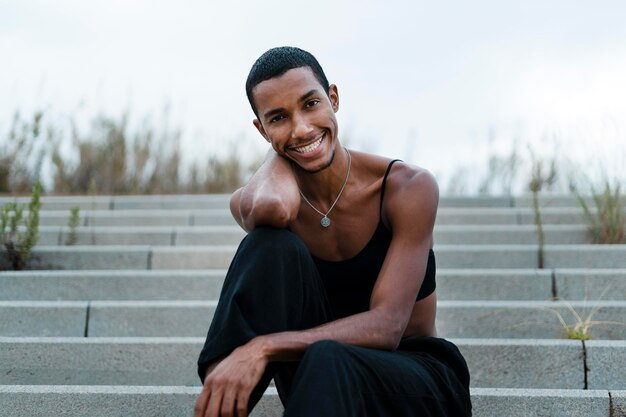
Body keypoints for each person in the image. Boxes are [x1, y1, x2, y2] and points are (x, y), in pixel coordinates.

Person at [194, 46, 472, 417]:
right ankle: (221, 405)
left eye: (310, 104)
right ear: (261, 130)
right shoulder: (263, 199)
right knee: (267, 244)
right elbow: (271, 209)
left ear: (334, 99)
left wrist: (262, 346)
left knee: (328, 356)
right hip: (321, 387)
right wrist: (277, 152)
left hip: (414, 378)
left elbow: (388, 327)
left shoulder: (407, 188)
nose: (302, 128)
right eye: (278, 118)